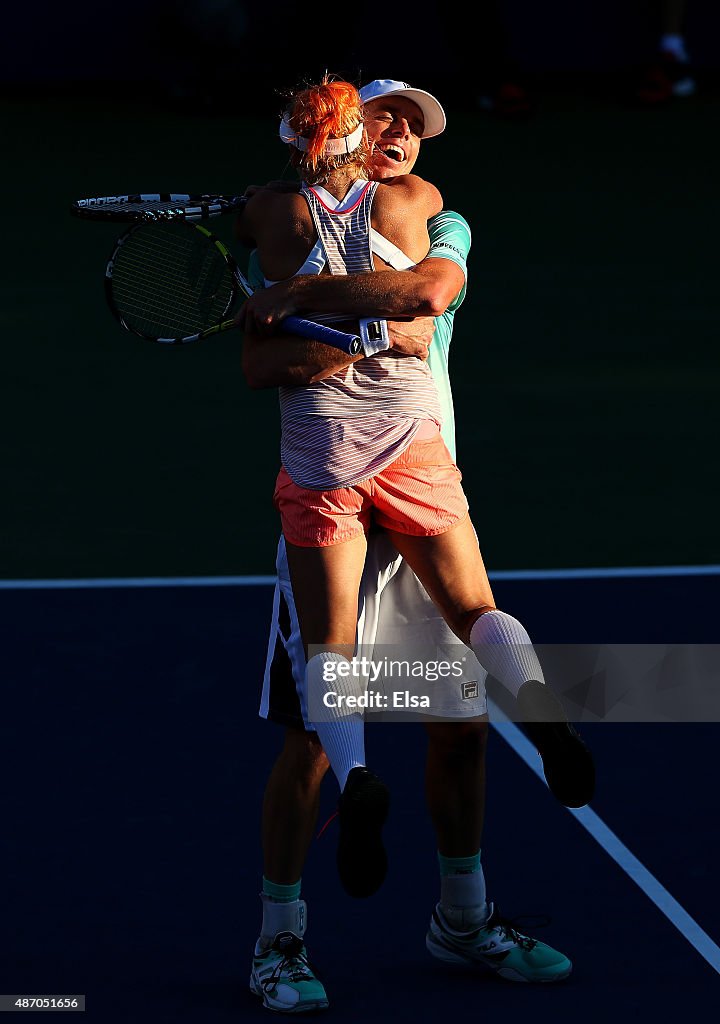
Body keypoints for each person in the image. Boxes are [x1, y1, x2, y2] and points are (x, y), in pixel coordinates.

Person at [240, 77, 592, 1013]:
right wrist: (353, 336)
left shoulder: (442, 223)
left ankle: (464, 922)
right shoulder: (277, 222)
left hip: (413, 484)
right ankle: (279, 944)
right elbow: (259, 362)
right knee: (312, 745)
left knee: (461, 733)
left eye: (417, 125)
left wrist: (301, 297)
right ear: (348, 129)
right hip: (344, 488)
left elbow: (428, 291)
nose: (402, 131)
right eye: (386, 114)